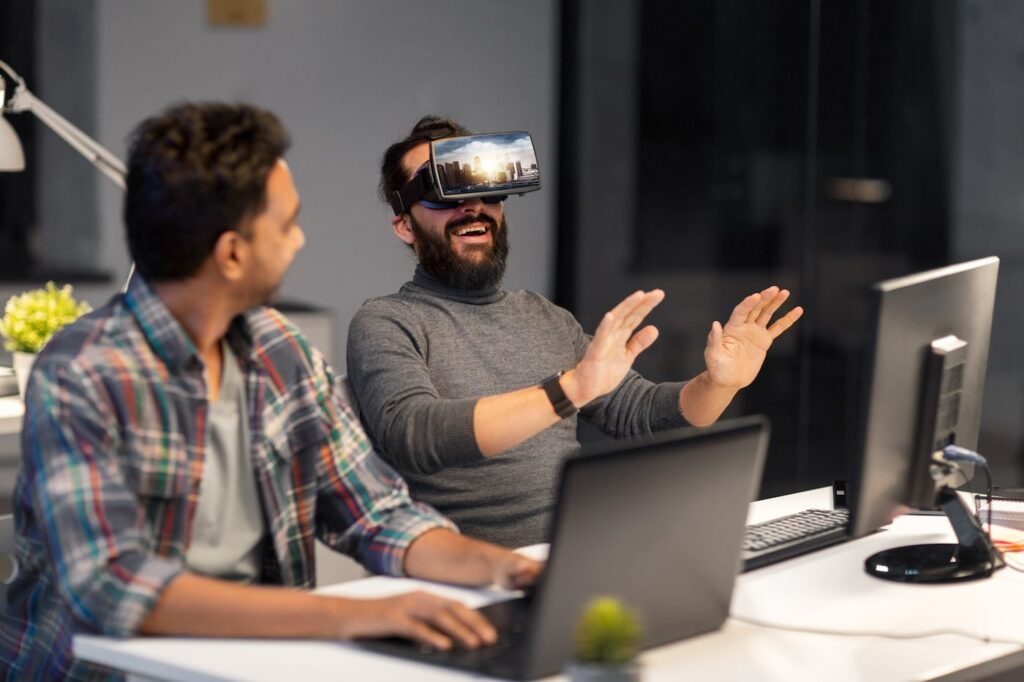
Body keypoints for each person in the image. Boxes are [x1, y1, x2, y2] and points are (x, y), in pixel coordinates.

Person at [0, 103, 540, 680]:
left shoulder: (280, 353)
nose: (300, 240)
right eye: (286, 225)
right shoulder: (83, 371)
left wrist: (507, 571)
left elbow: (378, 515)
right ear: (232, 252)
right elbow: (118, 589)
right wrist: (351, 615)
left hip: (251, 664)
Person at [346, 115, 804, 548]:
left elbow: (642, 415)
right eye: (445, 194)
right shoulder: (387, 322)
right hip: (464, 584)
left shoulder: (547, 319)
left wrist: (718, 383)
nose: (473, 208)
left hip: (574, 556)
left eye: (485, 191)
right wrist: (569, 390)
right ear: (404, 226)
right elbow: (413, 434)